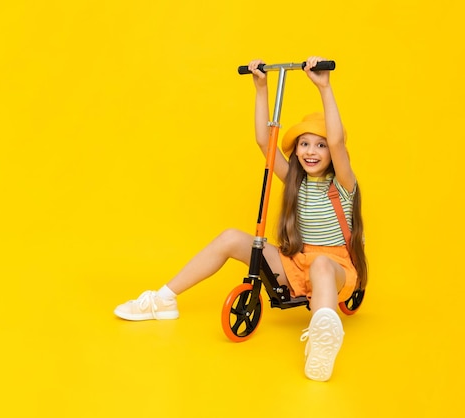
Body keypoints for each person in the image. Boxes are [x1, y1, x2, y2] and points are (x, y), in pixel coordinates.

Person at [114, 56, 367, 382]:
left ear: (333, 153)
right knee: (232, 237)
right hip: (296, 264)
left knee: (319, 266)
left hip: (334, 268)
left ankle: (322, 340)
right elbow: (265, 141)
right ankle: (162, 299)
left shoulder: (343, 184)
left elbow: (337, 140)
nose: (311, 151)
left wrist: (324, 87)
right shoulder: (295, 179)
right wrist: (260, 88)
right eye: (304, 144)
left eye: (320, 145)